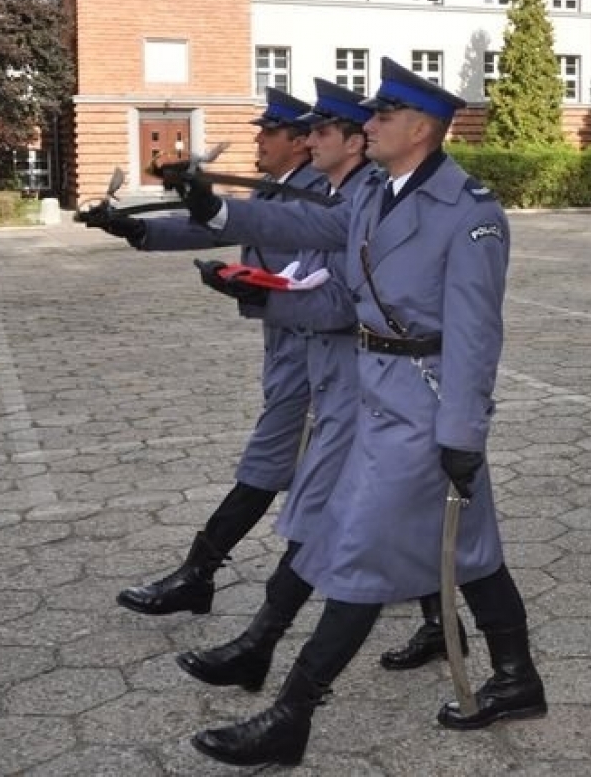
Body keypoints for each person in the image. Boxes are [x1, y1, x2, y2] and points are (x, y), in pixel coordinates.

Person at [177, 59, 544, 766]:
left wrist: (462, 434)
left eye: (381, 115)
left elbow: (476, 336)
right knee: (468, 547)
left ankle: (292, 713)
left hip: (425, 407)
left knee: (359, 559)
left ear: (421, 129)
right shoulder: (377, 192)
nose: (366, 124)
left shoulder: (470, 213)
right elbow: (306, 222)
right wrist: (217, 212)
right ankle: (517, 678)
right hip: (374, 393)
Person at [82, 87, 323, 616]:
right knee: (349, 469)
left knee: (269, 459)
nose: (259, 141)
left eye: (269, 133)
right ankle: (417, 586)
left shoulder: (315, 191)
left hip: (316, 343)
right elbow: (212, 228)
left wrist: (256, 285)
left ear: (300, 141)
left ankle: (198, 573)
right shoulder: (278, 188)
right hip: (286, 336)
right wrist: (136, 228)